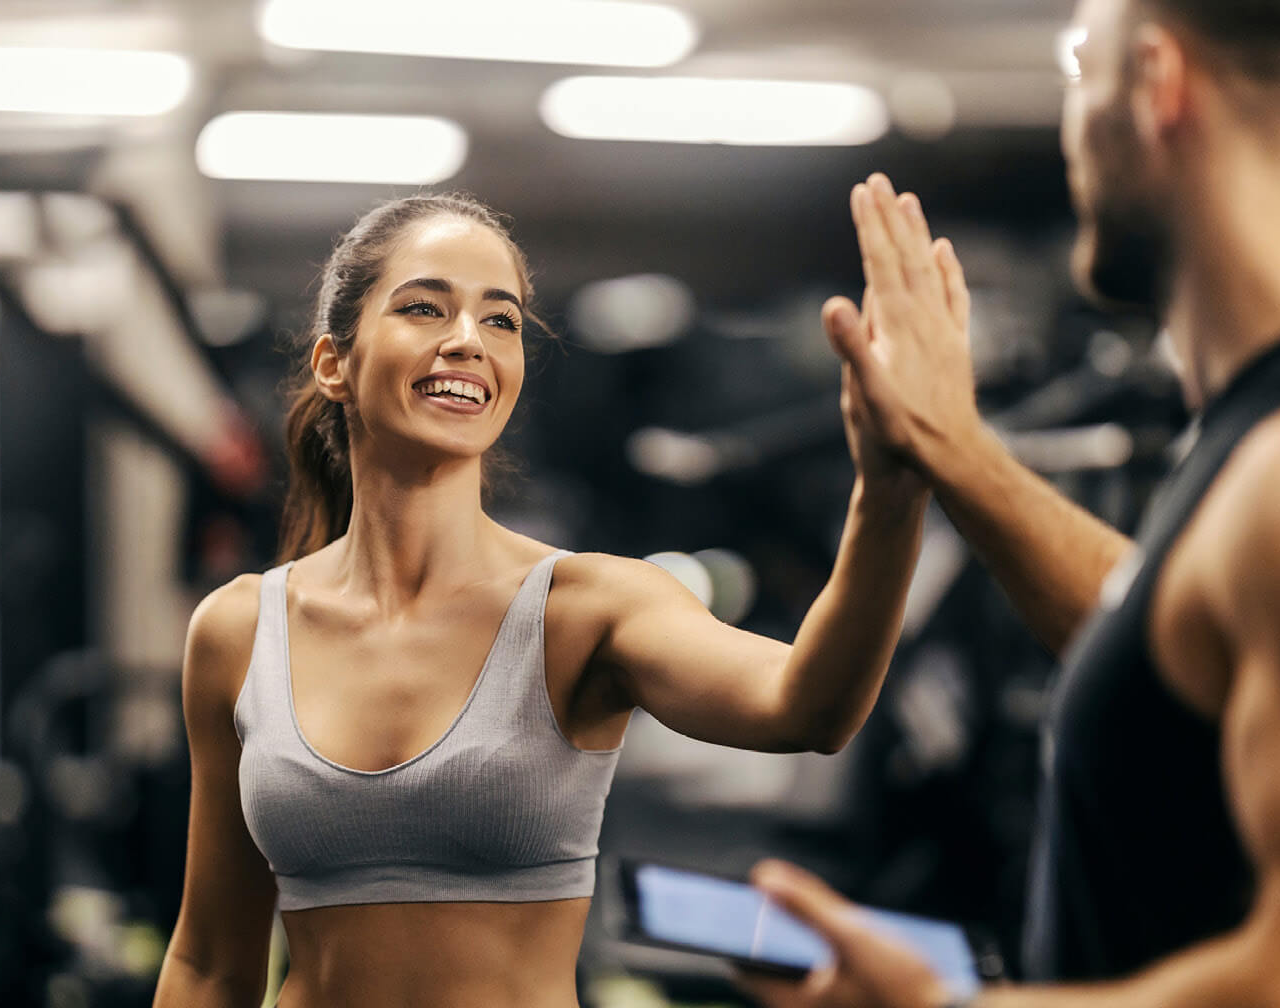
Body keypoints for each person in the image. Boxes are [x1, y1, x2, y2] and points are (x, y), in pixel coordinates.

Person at [740, 1, 1280, 1007]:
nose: (1072, 114)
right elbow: (1171, 649)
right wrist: (953, 452)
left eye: (1084, 62)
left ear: (1158, 84)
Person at [151, 193, 932, 1007]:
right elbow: (210, 962)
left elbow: (810, 706)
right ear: (333, 363)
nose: (467, 341)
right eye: (424, 307)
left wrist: (891, 493)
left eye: (501, 321)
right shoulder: (240, 631)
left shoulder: (591, 608)